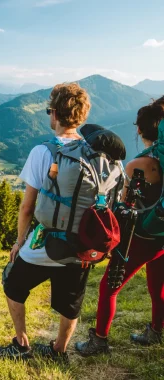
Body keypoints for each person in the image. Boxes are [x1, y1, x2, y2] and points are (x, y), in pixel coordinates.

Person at [0, 83, 92, 363]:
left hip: (47, 242)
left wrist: (19, 242)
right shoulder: (97, 154)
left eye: (49, 110)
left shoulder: (43, 152)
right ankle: (59, 351)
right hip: (83, 244)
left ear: (56, 115)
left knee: (12, 283)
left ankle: (21, 344)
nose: (49, 115)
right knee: (70, 304)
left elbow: (27, 207)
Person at [75, 97, 164, 356]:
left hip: (143, 237)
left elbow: (126, 207)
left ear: (139, 130)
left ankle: (99, 340)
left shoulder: (139, 165)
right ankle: (156, 331)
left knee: (108, 287)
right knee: (157, 286)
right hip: (162, 235)